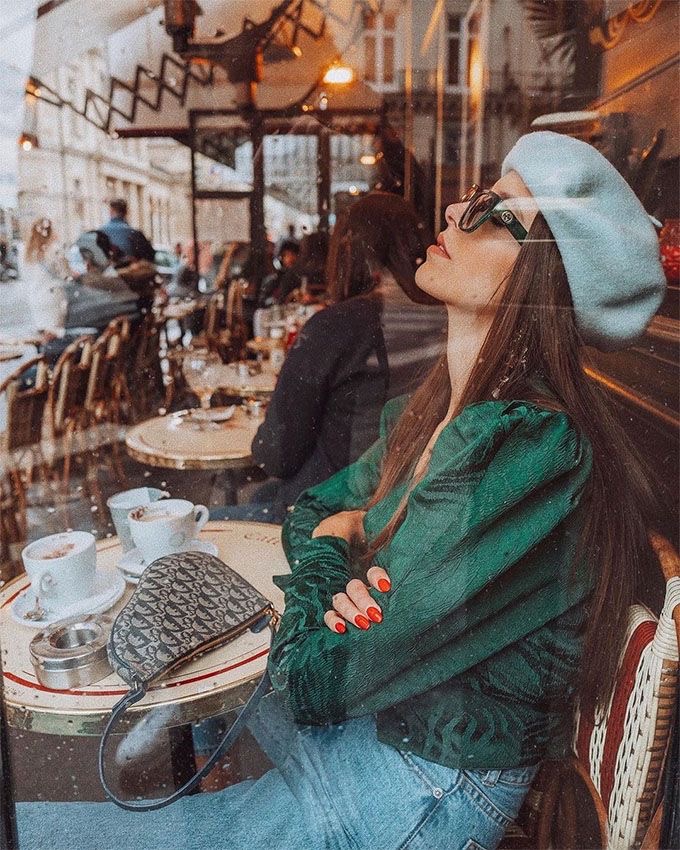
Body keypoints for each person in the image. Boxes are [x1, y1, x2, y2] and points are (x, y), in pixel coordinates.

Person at [16, 132, 666, 850]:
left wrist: (334, 551)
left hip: (428, 779)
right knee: (199, 634)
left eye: (492, 210)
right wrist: (337, 550)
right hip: (376, 721)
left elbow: (314, 677)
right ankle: (178, 758)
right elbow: (316, 507)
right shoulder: (439, 409)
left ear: (543, 278)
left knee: (41, 831)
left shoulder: (526, 446)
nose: (454, 210)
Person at [222, 192, 445, 524]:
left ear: (349, 252)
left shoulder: (339, 326)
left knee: (211, 519)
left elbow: (278, 454)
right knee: (262, 495)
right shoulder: (446, 319)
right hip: (410, 501)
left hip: (336, 515)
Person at [38, 230, 142, 365]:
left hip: (94, 358)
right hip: (110, 353)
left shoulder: (95, 282)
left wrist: (59, 332)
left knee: (48, 351)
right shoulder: (113, 279)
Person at [100, 198, 155, 264]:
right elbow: (150, 257)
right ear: (126, 212)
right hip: (129, 272)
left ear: (111, 211)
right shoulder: (135, 234)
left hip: (105, 272)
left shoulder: (100, 232)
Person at [257, 238, 300, 307]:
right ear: (281, 257)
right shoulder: (274, 278)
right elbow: (263, 301)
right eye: (288, 254)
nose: (291, 258)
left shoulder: (298, 277)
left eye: (294, 254)